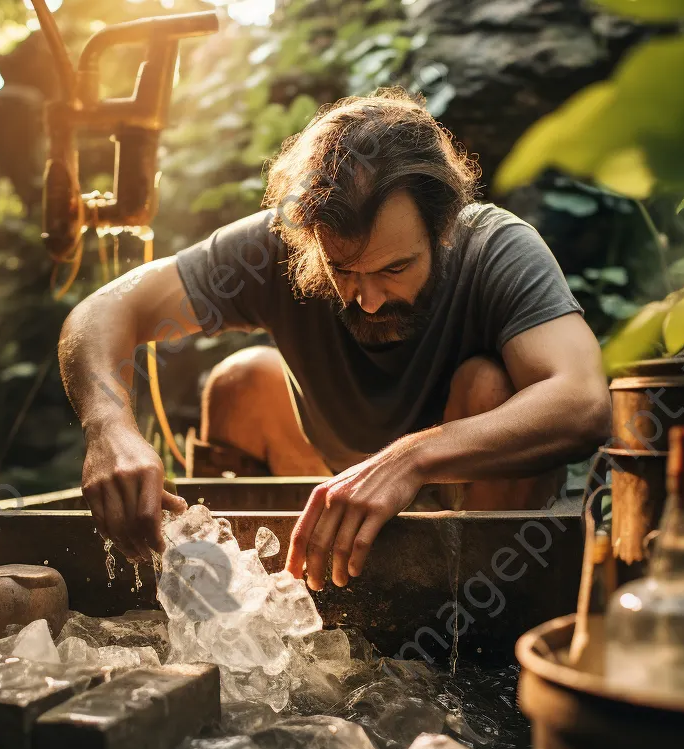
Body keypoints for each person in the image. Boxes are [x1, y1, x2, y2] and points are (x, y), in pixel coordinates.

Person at [58, 89, 611, 591]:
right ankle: (257, 590)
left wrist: (411, 460)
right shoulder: (276, 245)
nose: (367, 299)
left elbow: (583, 404)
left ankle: (464, 621)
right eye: (343, 270)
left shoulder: (496, 247)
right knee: (242, 380)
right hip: (334, 475)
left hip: (472, 513)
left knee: (489, 383)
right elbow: (105, 308)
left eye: (395, 268)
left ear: (443, 228)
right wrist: (109, 429)